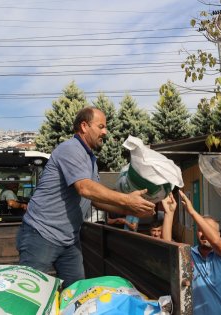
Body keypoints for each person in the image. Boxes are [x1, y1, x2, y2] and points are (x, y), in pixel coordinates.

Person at [16, 107, 155, 288]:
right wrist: (127, 199)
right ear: (84, 126)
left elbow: (96, 199)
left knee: (76, 293)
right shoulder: (71, 149)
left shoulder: (90, 159)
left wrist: (130, 208)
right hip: (41, 234)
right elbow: (85, 189)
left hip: (69, 240)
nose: (105, 132)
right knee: (28, 294)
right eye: (101, 126)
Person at [178, 190, 221, 315]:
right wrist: (169, 214)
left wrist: (192, 212)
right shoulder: (189, 254)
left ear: (218, 234)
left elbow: (216, 242)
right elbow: (169, 248)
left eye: (209, 230)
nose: (205, 234)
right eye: (201, 230)